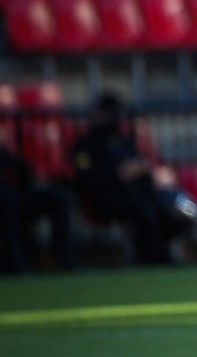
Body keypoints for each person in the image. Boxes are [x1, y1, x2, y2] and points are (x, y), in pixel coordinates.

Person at [71, 93, 180, 265]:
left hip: (139, 193)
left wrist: (145, 170)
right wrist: (118, 175)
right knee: (143, 211)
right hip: (108, 199)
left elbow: (139, 164)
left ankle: (161, 254)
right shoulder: (87, 143)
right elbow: (86, 181)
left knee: (178, 208)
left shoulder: (123, 140)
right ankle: (153, 260)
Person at [0, 141, 77, 274]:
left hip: (23, 188)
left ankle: (66, 258)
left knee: (60, 198)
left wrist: (33, 174)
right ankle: (16, 262)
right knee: (10, 201)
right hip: (7, 194)